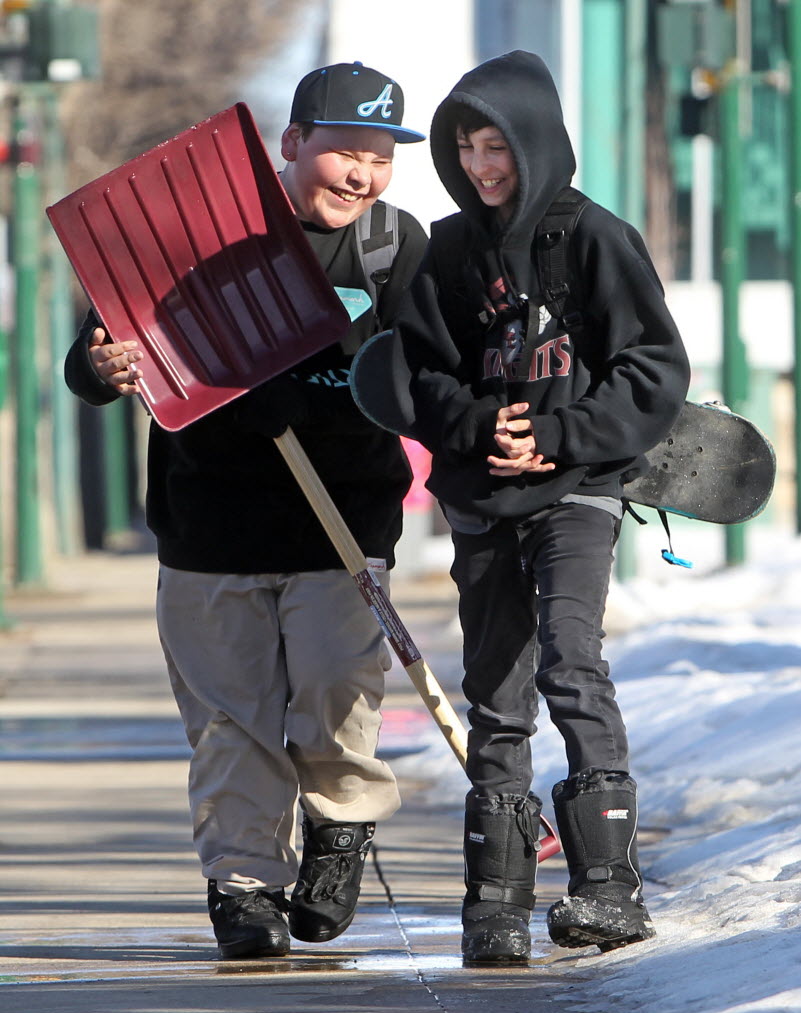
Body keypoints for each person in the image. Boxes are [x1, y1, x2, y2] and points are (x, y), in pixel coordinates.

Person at [64, 61, 428, 959]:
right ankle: (244, 886)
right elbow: (99, 357)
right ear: (291, 142)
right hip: (209, 528)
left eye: (380, 156)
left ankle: (339, 829)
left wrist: (322, 403)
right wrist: (102, 368)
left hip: (342, 525)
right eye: (344, 151)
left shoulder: (393, 245)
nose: (362, 174)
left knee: (337, 701)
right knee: (232, 723)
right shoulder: (199, 234)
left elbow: (422, 376)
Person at [350, 51, 691, 962]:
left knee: (570, 661)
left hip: (577, 489)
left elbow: (651, 369)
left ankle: (607, 889)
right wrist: (473, 425)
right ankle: (494, 907)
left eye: (495, 145)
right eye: (465, 148)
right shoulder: (448, 250)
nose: (480, 166)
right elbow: (416, 373)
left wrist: (559, 435)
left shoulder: (596, 238)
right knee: (495, 693)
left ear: (532, 140)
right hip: (482, 496)